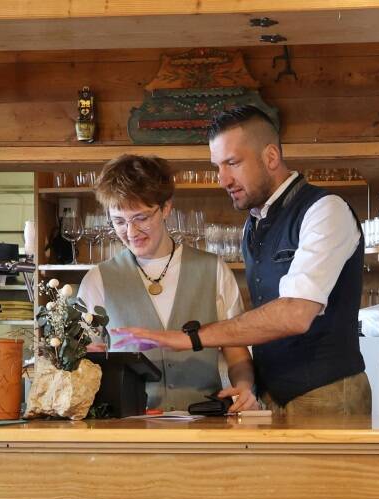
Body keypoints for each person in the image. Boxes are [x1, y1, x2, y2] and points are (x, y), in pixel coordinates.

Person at [121, 106, 370, 417]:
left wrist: (190, 338)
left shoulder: (325, 210)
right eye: (217, 166)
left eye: (233, 163)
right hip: (271, 396)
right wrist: (248, 386)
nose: (222, 179)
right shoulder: (253, 224)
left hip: (327, 394)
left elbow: (295, 314)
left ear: (270, 157)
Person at [78, 153, 258, 412]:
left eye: (141, 218)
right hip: (129, 429)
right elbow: (83, 361)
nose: (131, 233)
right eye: (119, 222)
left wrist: (244, 386)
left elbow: (237, 352)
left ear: (165, 208)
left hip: (205, 424)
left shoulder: (213, 269)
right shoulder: (98, 280)